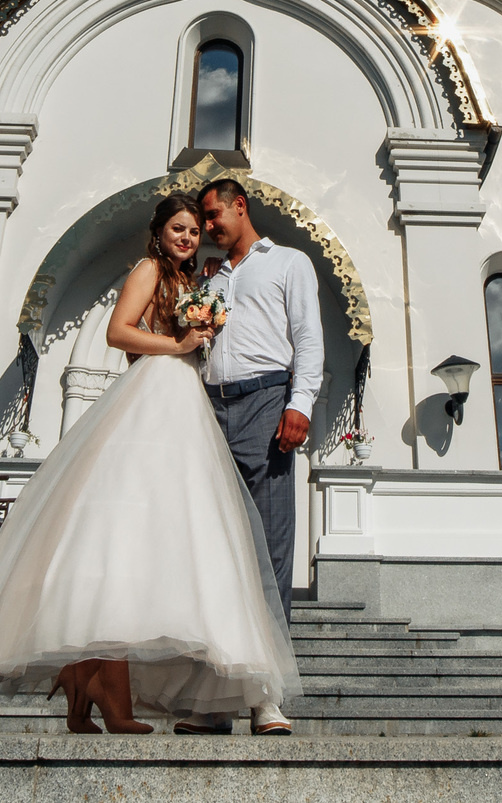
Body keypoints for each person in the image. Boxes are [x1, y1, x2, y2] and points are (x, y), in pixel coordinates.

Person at [0, 194, 301, 735]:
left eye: (194, 231)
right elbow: (118, 332)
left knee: (172, 528)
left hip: (187, 399)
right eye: (178, 228)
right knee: (126, 524)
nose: (188, 238)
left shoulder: (193, 280)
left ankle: (95, 685)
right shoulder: (148, 269)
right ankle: (99, 682)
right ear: (159, 231)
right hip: (155, 393)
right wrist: (178, 343)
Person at [179, 175, 322, 735]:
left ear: (240, 206)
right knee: (214, 551)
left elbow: (307, 338)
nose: (206, 227)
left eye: (212, 216)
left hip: (266, 402)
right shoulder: (210, 278)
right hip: (210, 407)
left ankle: (265, 696)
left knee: (269, 550)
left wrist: (300, 403)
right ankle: (215, 698)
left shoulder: (289, 263)